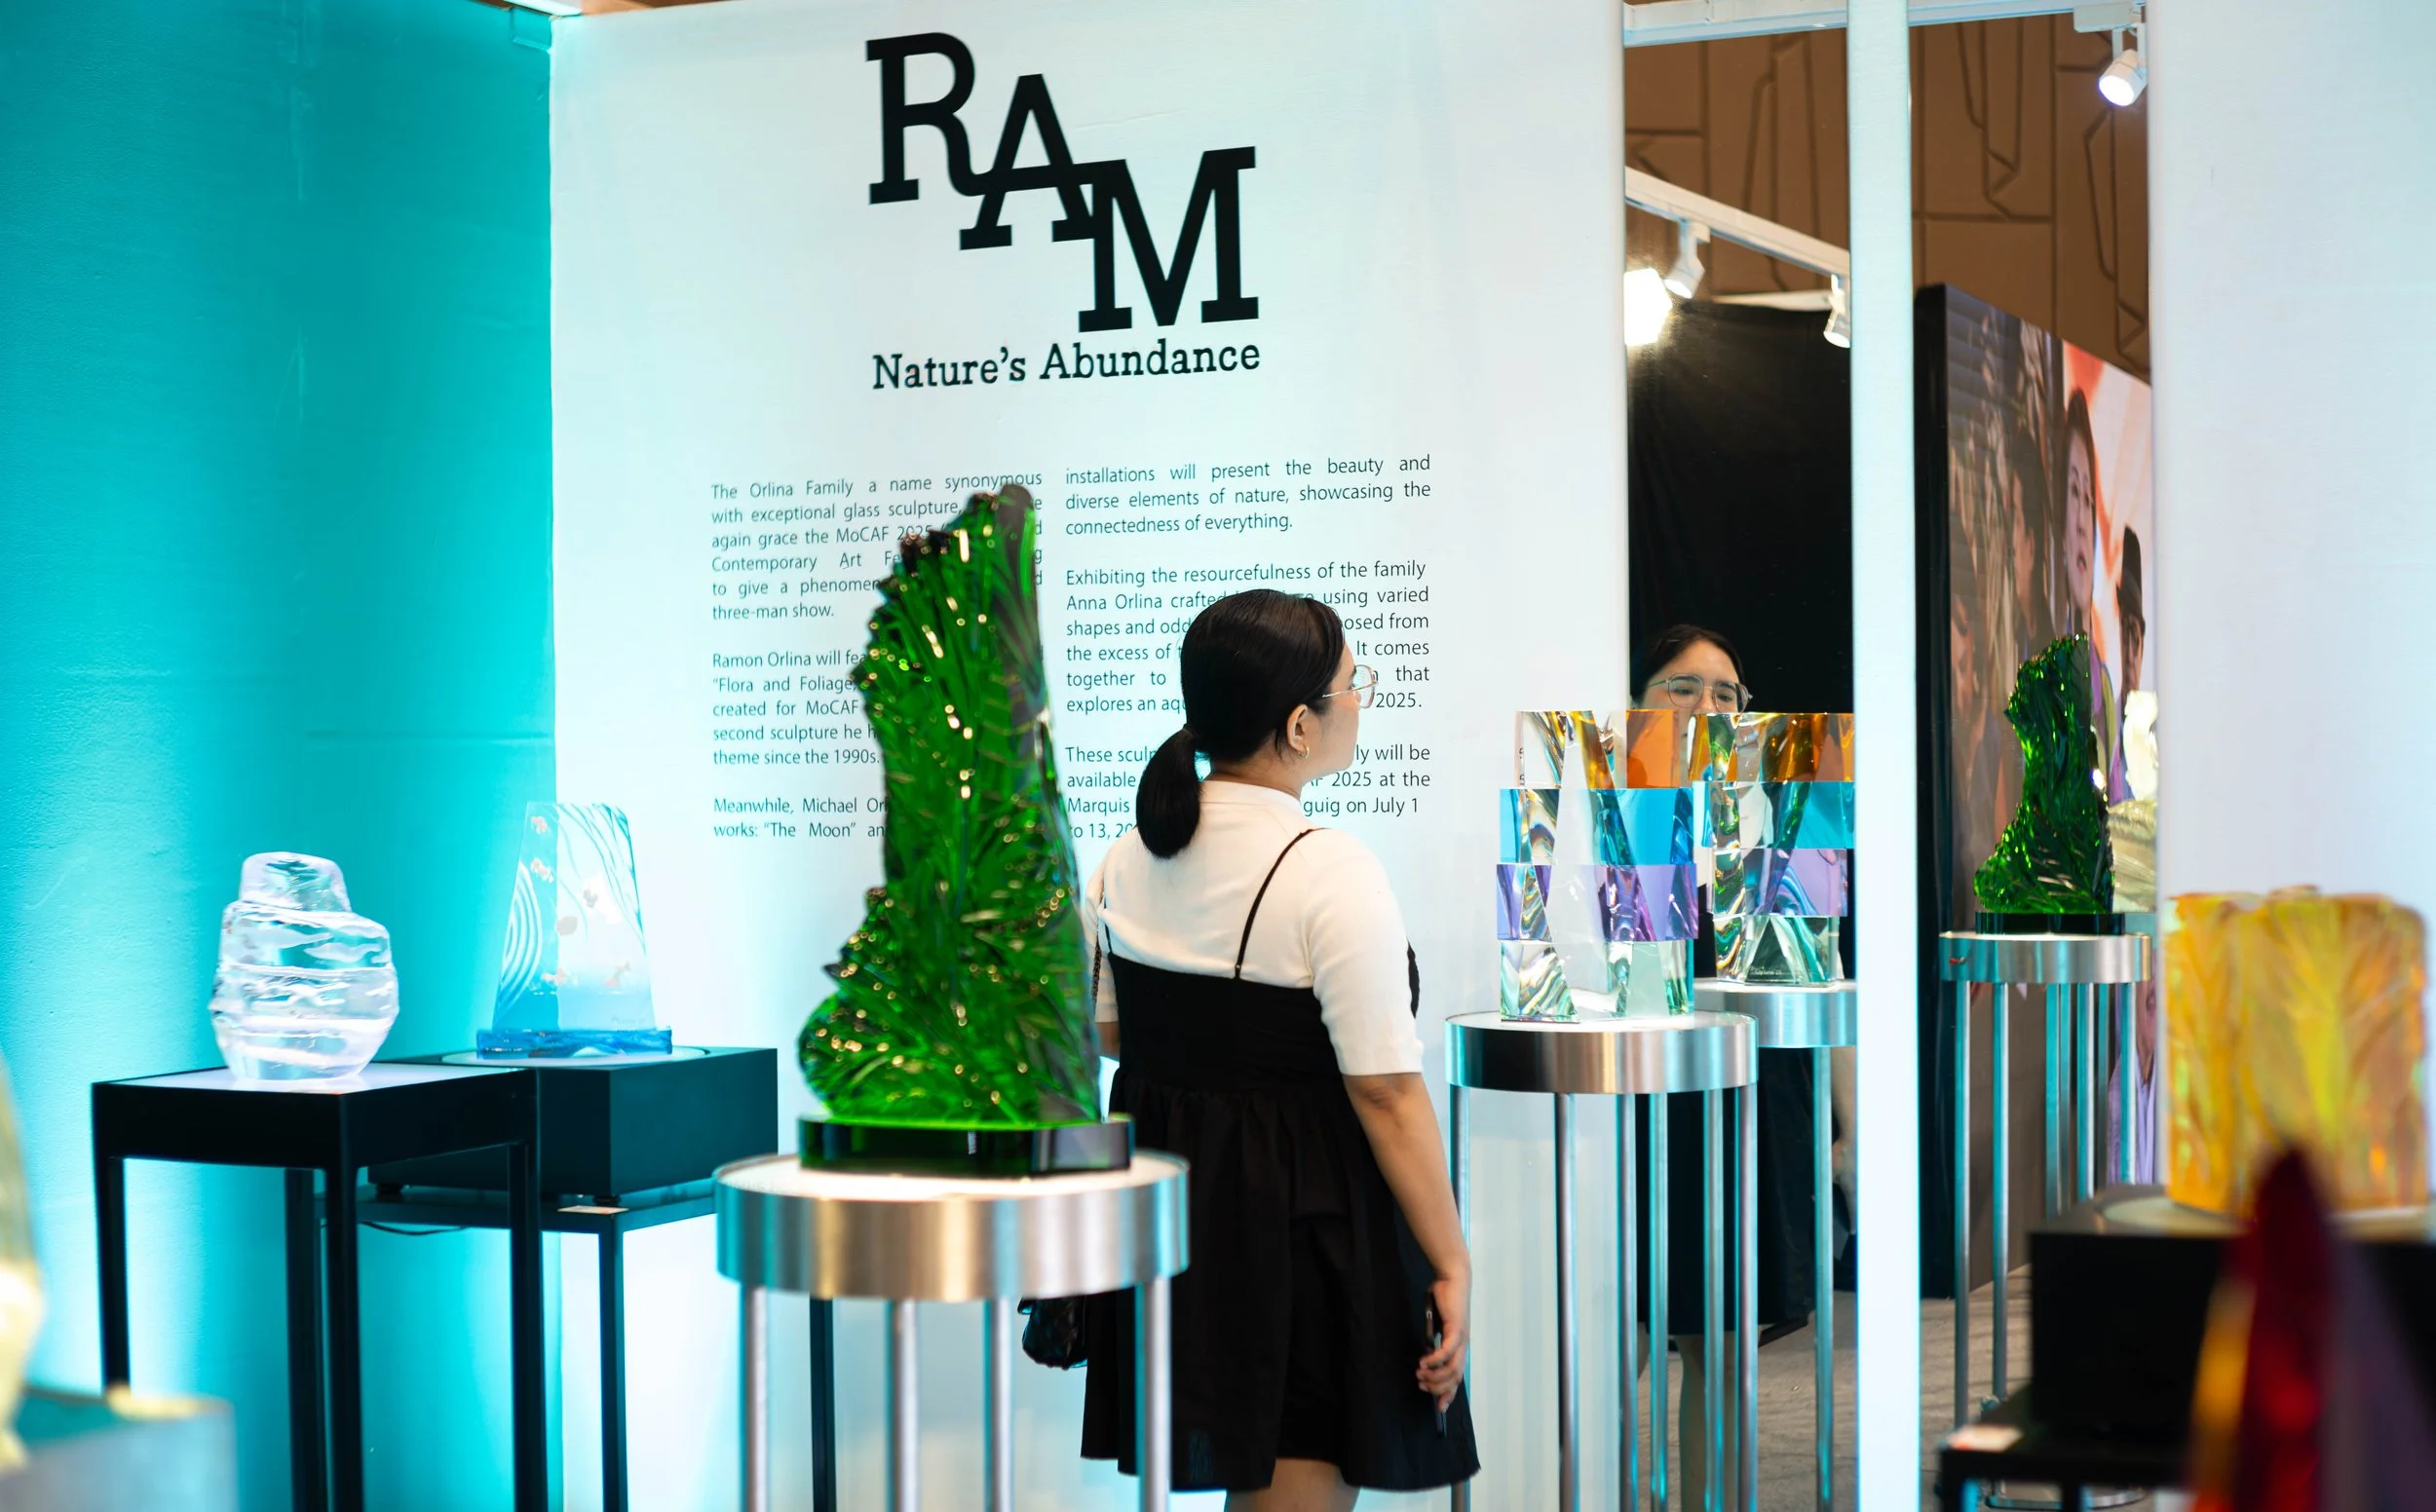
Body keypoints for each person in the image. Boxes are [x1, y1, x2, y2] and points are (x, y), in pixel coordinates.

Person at [1080, 589, 1477, 1511]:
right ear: (1299, 725)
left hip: (1174, 1216)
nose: (1362, 702)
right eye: (1353, 685)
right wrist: (1452, 1261)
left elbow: (1108, 1036)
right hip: (1300, 1224)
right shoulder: (1329, 868)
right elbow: (1386, 1094)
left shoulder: (1129, 854)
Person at [1632, 624, 1852, 1510]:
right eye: (1682, 686)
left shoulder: (1779, 811)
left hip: (1750, 1113)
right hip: (1637, 1109)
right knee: (1627, 1341)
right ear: (1640, 699)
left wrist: (1847, 1129)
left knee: (1720, 1346)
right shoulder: (1610, 813)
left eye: (1726, 692)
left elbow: (1822, 981)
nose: (1707, 706)